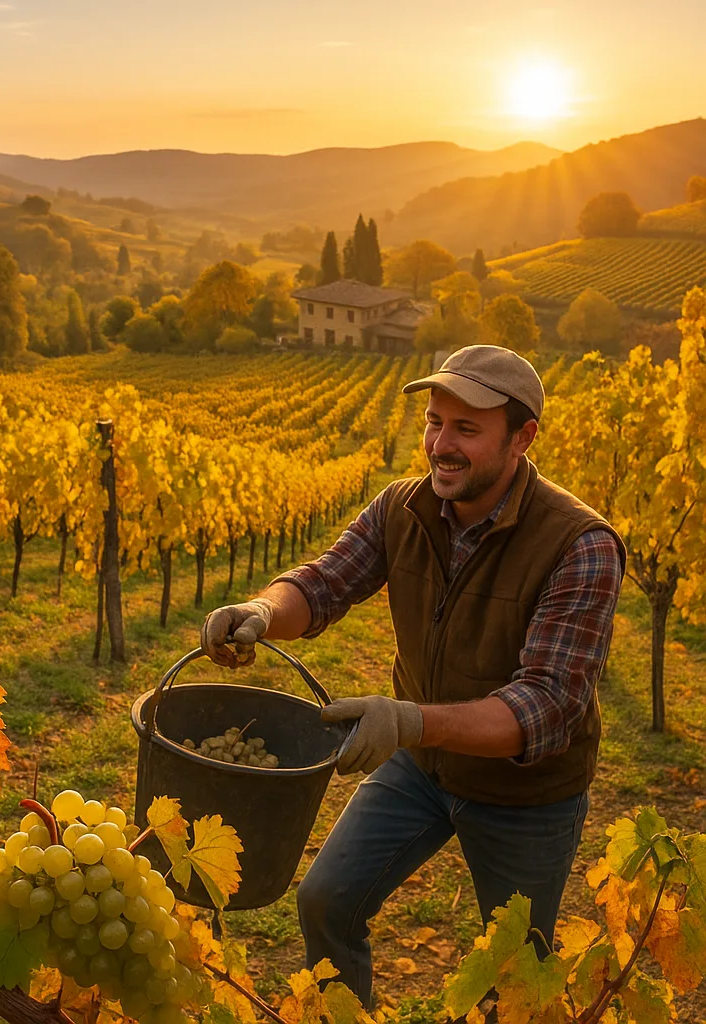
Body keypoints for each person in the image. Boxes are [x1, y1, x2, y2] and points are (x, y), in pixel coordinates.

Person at [200, 345, 625, 1009]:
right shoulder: (403, 506)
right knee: (326, 901)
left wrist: (407, 720)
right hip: (421, 766)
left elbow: (544, 706)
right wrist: (263, 610)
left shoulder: (579, 545)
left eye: (466, 429)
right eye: (434, 422)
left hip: (526, 792)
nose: (440, 446)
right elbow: (325, 582)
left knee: (515, 977)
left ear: (522, 438)